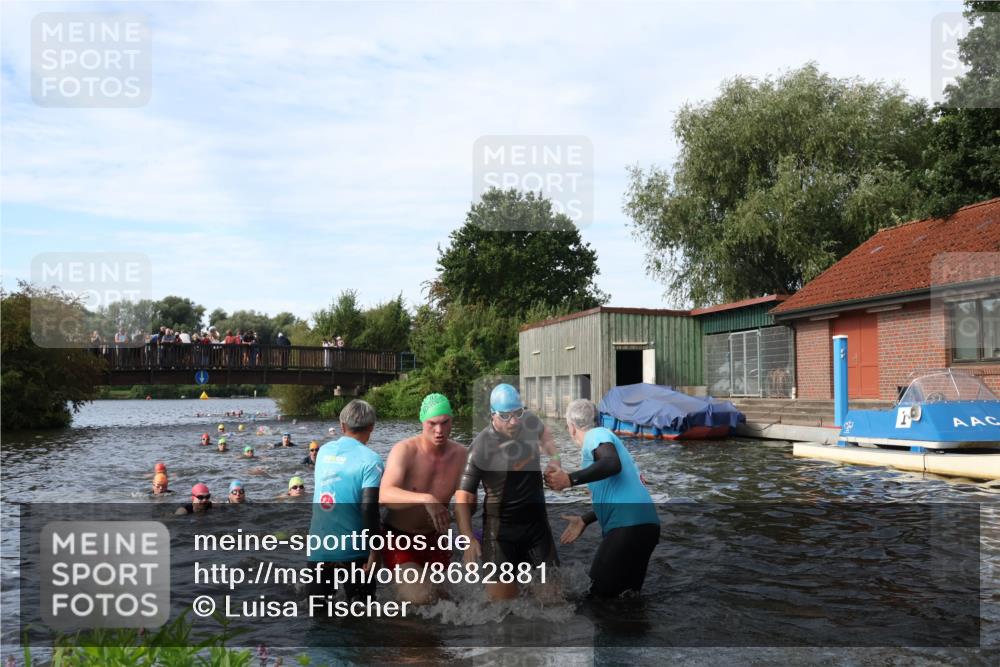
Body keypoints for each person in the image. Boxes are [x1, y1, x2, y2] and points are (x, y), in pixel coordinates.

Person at [455, 383, 561, 601]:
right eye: (505, 416)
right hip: (501, 534)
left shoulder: (530, 423)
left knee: (554, 602)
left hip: (537, 529)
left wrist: (555, 459)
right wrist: (467, 538)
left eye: (517, 413)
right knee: (503, 609)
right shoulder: (480, 448)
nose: (513, 422)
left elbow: (546, 436)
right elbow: (463, 497)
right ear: (492, 415)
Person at [545, 399, 660, 598]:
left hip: (627, 527)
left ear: (571, 428)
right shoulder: (608, 438)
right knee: (627, 598)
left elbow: (611, 464)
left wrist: (569, 479)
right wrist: (585, 519)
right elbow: (617, 492)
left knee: (597, 598)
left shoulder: (595, 435)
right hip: (647, 526)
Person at [379, 393, 468, 604]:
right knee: (420, 598)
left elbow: (467, 502)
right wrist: (426, 499)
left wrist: (468, 537)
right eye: (432, 424)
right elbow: (383, 495)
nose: (439, 431)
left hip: (436, 539)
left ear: (451, 421)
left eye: (445, 423)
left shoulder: (461, 455)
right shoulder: (405, 450)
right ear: (422, 422)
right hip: (400, 538)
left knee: (450, 602)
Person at [307, 399, 384, 605]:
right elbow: (369, 509)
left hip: (319, 549)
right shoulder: (371, 460)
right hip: (355, 551)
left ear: (342, 426)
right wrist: (376, 552)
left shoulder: (322, 452)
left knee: (319, 617)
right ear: (371, 427)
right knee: (362, 618)